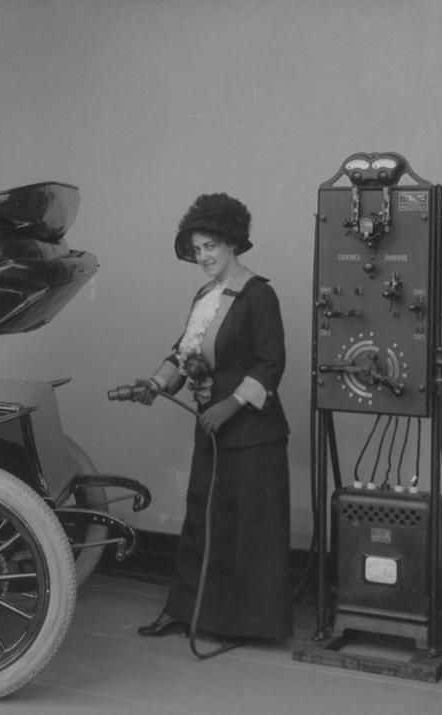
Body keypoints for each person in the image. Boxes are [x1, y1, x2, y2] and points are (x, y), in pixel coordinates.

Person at [126, 193, 292, 642]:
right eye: (197, 250)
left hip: (252, 437)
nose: (203, 257)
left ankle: (240, 625)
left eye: (210, 247)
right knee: (200, 525)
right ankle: (186, 612)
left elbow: (271, 363)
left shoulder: (259, 294)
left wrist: (230, 405)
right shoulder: (205, 296)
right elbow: (185, 351)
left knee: (242, 529)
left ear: (232, 243)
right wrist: (156, 385)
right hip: (211, 433)